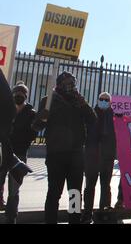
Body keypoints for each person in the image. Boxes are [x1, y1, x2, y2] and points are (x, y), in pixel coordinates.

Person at [33, 71, 96, 224]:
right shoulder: (48, 100)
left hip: (76, 156)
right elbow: (36, 126)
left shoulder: (78, 101)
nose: (71, 86)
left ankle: (74, 220)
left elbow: (93, 120)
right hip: (56, 155)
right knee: (54, 193)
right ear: (60, 85)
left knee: (75, 194)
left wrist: (84, 105)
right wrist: (43, 115)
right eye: (67, 83)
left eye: (73, 83)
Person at [0, 82, 36, 223]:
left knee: (14, 190)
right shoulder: (6, 110)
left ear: (25, 96)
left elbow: (32, 134)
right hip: (4, 153)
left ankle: (11, 217)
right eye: (16, 93)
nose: (18, 96)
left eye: (21, 94)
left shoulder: (30, 113)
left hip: (19, 154)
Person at [81, 92, 117, 224]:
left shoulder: (114, 115)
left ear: (110, 102)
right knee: (90, 186)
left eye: (106, 100)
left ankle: (104, 212)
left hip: (107, 156)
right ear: (98, 100)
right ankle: (87, 213)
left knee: (105, 186)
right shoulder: (91, 113)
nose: (104, 101)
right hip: (92, 155)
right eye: (101, 99)